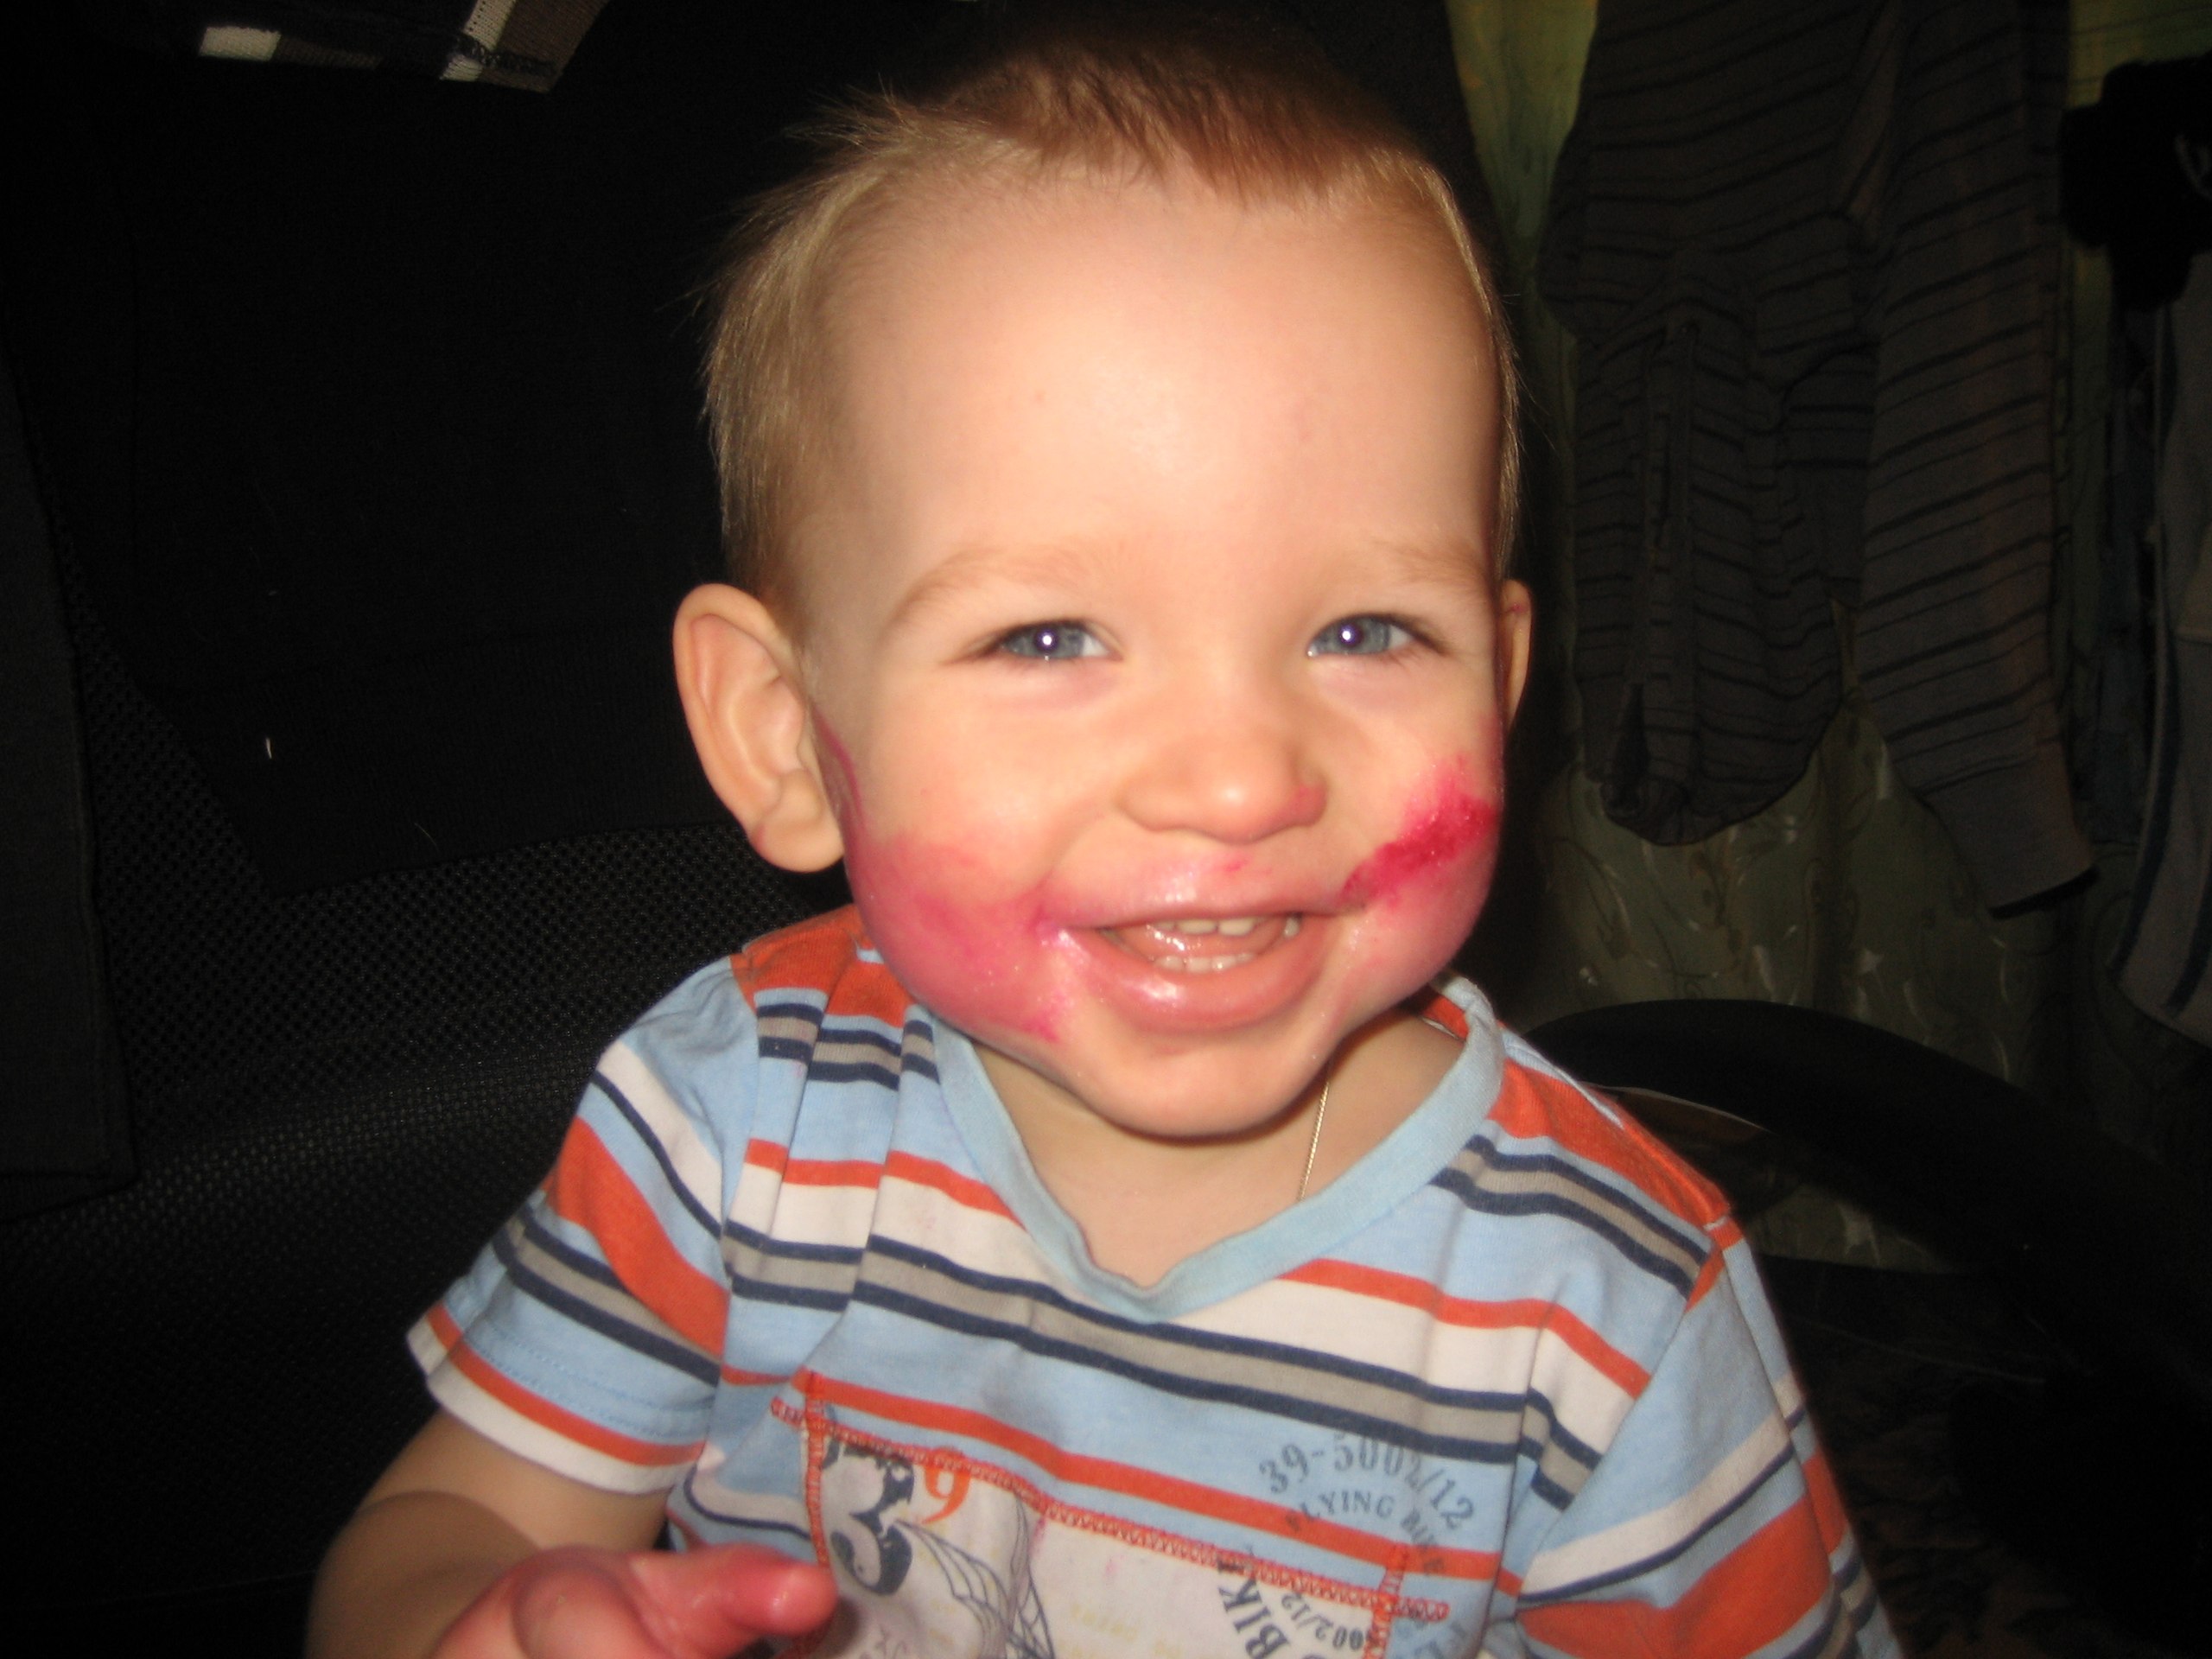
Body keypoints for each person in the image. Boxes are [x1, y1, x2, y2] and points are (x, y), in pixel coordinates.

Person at [310, 6, 1897, 1656]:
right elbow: (452, 1524)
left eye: (1364, 631)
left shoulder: (1608, 1308)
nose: (1238, 783)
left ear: (1498, 691)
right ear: (784, 734)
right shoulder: (730, 1124)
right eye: (1050, 638)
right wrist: (476, 1626)